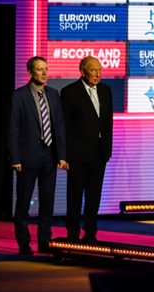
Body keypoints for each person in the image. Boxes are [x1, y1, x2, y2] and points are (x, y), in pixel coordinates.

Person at [8, 56, 68, 255]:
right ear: (30, 72)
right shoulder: (19, 96)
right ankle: (24, 243)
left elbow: (59, 127)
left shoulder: (53, 94)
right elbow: (13, 129)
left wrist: (62, 155)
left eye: (46, 69)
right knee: (23, 203)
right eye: (40, 69)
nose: (44, 73)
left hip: (49, 157)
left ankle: (44, 241)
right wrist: (15, 158)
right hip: (27, 158)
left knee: (47, 202)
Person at [61, 56, 113, 243]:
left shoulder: (106, 91)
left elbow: (107, 123)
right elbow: (63, 126)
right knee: (75, 196)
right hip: (77, 155)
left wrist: (107, 150)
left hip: (99, 154)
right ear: (82, 71)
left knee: (94, 196)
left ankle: (90, 233)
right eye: (93, 70)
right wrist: (63, 155)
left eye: (100, 70)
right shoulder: (70, 92)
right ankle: (73, 234)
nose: (98, 74)